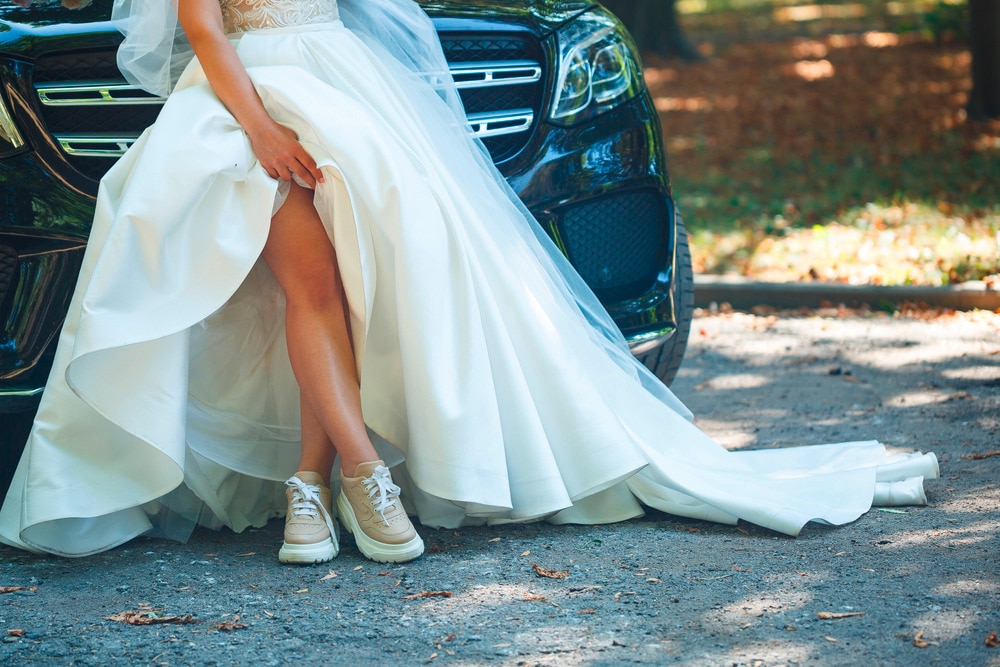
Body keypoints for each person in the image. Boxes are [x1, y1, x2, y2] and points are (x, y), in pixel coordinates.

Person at [0, 0, 939, 563]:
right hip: (248, 105)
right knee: (311, 290)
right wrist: (262, 132)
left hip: (350, 91)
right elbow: (201, 23)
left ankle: (306, 488)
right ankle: (364, 475)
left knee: (360, 302)